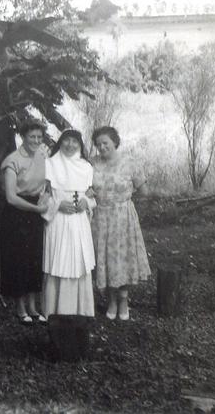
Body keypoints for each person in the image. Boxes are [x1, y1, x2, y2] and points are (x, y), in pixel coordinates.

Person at [90, 126, 151, 321]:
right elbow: (84, 188)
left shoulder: (130, 163)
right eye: (98, 144)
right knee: (106, 258)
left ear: (115, 142)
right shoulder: (92, 163)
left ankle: (123, 300)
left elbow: (144, 192)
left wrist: (126, 201)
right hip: (100, 217)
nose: (102, 147)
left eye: (105, 142)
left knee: (123, 259)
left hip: (123, 218)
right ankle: (111, 301)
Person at [0, 119, 49, 325]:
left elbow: (48, 184)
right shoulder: (12, 161)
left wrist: (44, 200)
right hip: (16, 215)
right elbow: (11, 197)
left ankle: (33, 306)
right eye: (32, 137)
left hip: (36, 213)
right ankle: (20, 308)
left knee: (35, 258)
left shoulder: (43, 156)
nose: (36, 140)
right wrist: (36, 209)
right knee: (18, 260)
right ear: (23, 137)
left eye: (39, 137)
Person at [41, 130, 96, 318]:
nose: (70, 145)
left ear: (80, 145)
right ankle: (53, 311)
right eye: (66, 140)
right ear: (60, 142)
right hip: (58, 221)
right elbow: (42, 196)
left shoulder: (86, 167)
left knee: (79, 261)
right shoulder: (49, 164)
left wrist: (86, 203)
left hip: (79, 221)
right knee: (58, 260)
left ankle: (80, 310)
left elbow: (91, 196)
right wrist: (57, 205)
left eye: (74, 142)